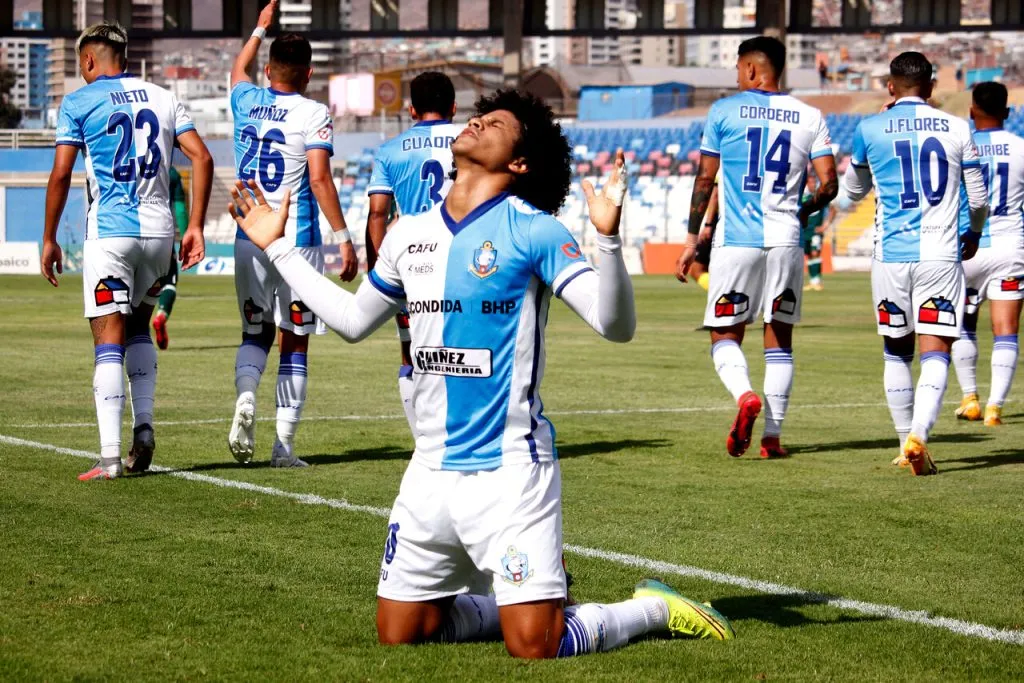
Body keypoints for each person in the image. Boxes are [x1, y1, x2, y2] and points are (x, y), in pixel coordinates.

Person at [228, 89, 735, 658]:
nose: (476, 122)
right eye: (478, 116)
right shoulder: (407, 234)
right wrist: (277, 248)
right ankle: (530, 596)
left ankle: (653, 607)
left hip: (511, 468)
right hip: (429, 468)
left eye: (494, 123)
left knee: (535, 645)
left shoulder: (536, 231)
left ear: (518, 162)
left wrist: (609, 240)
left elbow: (614, 325)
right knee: (401, 634)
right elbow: (351, 321)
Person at [41, 21, 213, 480]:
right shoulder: (163, 97)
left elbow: (61, 174)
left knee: (108, 341)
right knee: (139, 328)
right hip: (159, 235)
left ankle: (110, 458)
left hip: (111, 235)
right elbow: (202, 157)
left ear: (89, 59)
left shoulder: (79, 102)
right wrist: (195, 226)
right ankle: (144, 428)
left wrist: (50, 237)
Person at [677, 36, 838, 459]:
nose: (736, 76)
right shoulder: (810, 116)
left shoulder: (723, 111)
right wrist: (801, 211)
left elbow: (705, 179)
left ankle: (745, 395)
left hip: (736, 241)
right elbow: (829, 185)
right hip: (785, 241)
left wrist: (692, 240)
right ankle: (772, 438)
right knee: (779, 338)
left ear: (750, 68)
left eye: (737, 68)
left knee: (725, 334)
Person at [226, 0, 359, 468]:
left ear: (268, 70)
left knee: (254, 331)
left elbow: (237, 69)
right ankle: (283, 448)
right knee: (295, 338)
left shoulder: (245, 101)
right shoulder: (314, 112)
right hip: (296, 240)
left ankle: (247, 395)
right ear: (308, 73)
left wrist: (260, 28)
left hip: (249, 234)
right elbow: (319, 179)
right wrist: (343, 237)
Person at [842, 52, 988, 475]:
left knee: (895, 352)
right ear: (931, 86)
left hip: (890, 257)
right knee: (936, 351)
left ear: (890, 87)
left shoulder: (869, 127)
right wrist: (974, 233)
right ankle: (918, 436)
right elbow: (978, 199)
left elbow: (851, 193)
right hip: (940, 255)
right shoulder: (957, 127)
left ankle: (902, 438)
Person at [365, 71, 461, 438]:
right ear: (454, 107)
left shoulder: (390, 150)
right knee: (469, 350)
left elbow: (377, 214)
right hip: (463, 261)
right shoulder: (471, 140)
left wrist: (381, 270)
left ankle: (423, 441)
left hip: (414, 264)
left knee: (411, 353)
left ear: (411, 110)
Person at [950, 82, 1024, 427]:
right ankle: (995, 407)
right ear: (1007, 112)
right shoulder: (1021, 147)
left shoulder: (958, 146)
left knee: (963, 324)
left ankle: (970, 399)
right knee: (1006, 329)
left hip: (967, 246)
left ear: (971, 110)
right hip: (1010, 247)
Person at [152, 165, 189, 349]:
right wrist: (186, 236)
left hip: (125, 233)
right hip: (160, 235)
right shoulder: (171, 172)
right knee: (169, 283)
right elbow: (180, 209)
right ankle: (161, 315)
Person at [801, 174, 836, 292]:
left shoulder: (820, 197)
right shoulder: (803, 197)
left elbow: (833, 209)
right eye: (811, 183)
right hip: (805, 231)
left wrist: (825, 225)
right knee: (809, 255)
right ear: (806, 184)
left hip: (816, 231)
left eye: (814, 183)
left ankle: (817, 281)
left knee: (815, 252)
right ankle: (812, 281)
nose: (813, 185)